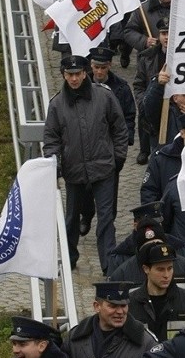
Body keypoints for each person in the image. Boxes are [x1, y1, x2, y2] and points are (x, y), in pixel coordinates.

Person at [42, 54, 129, 274]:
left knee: (106, 218)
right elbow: (51, 138)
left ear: (84, 73)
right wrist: (55, 162)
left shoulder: (104, 97)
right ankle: (70, 258)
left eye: (77, 74)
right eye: (69, 75)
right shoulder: (57, 104)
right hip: (74, 170)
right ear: (63, 75)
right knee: (72, 218)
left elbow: (119, 128)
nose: (73, 79)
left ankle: (109, 265)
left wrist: (118, 157)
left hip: (104, 168)